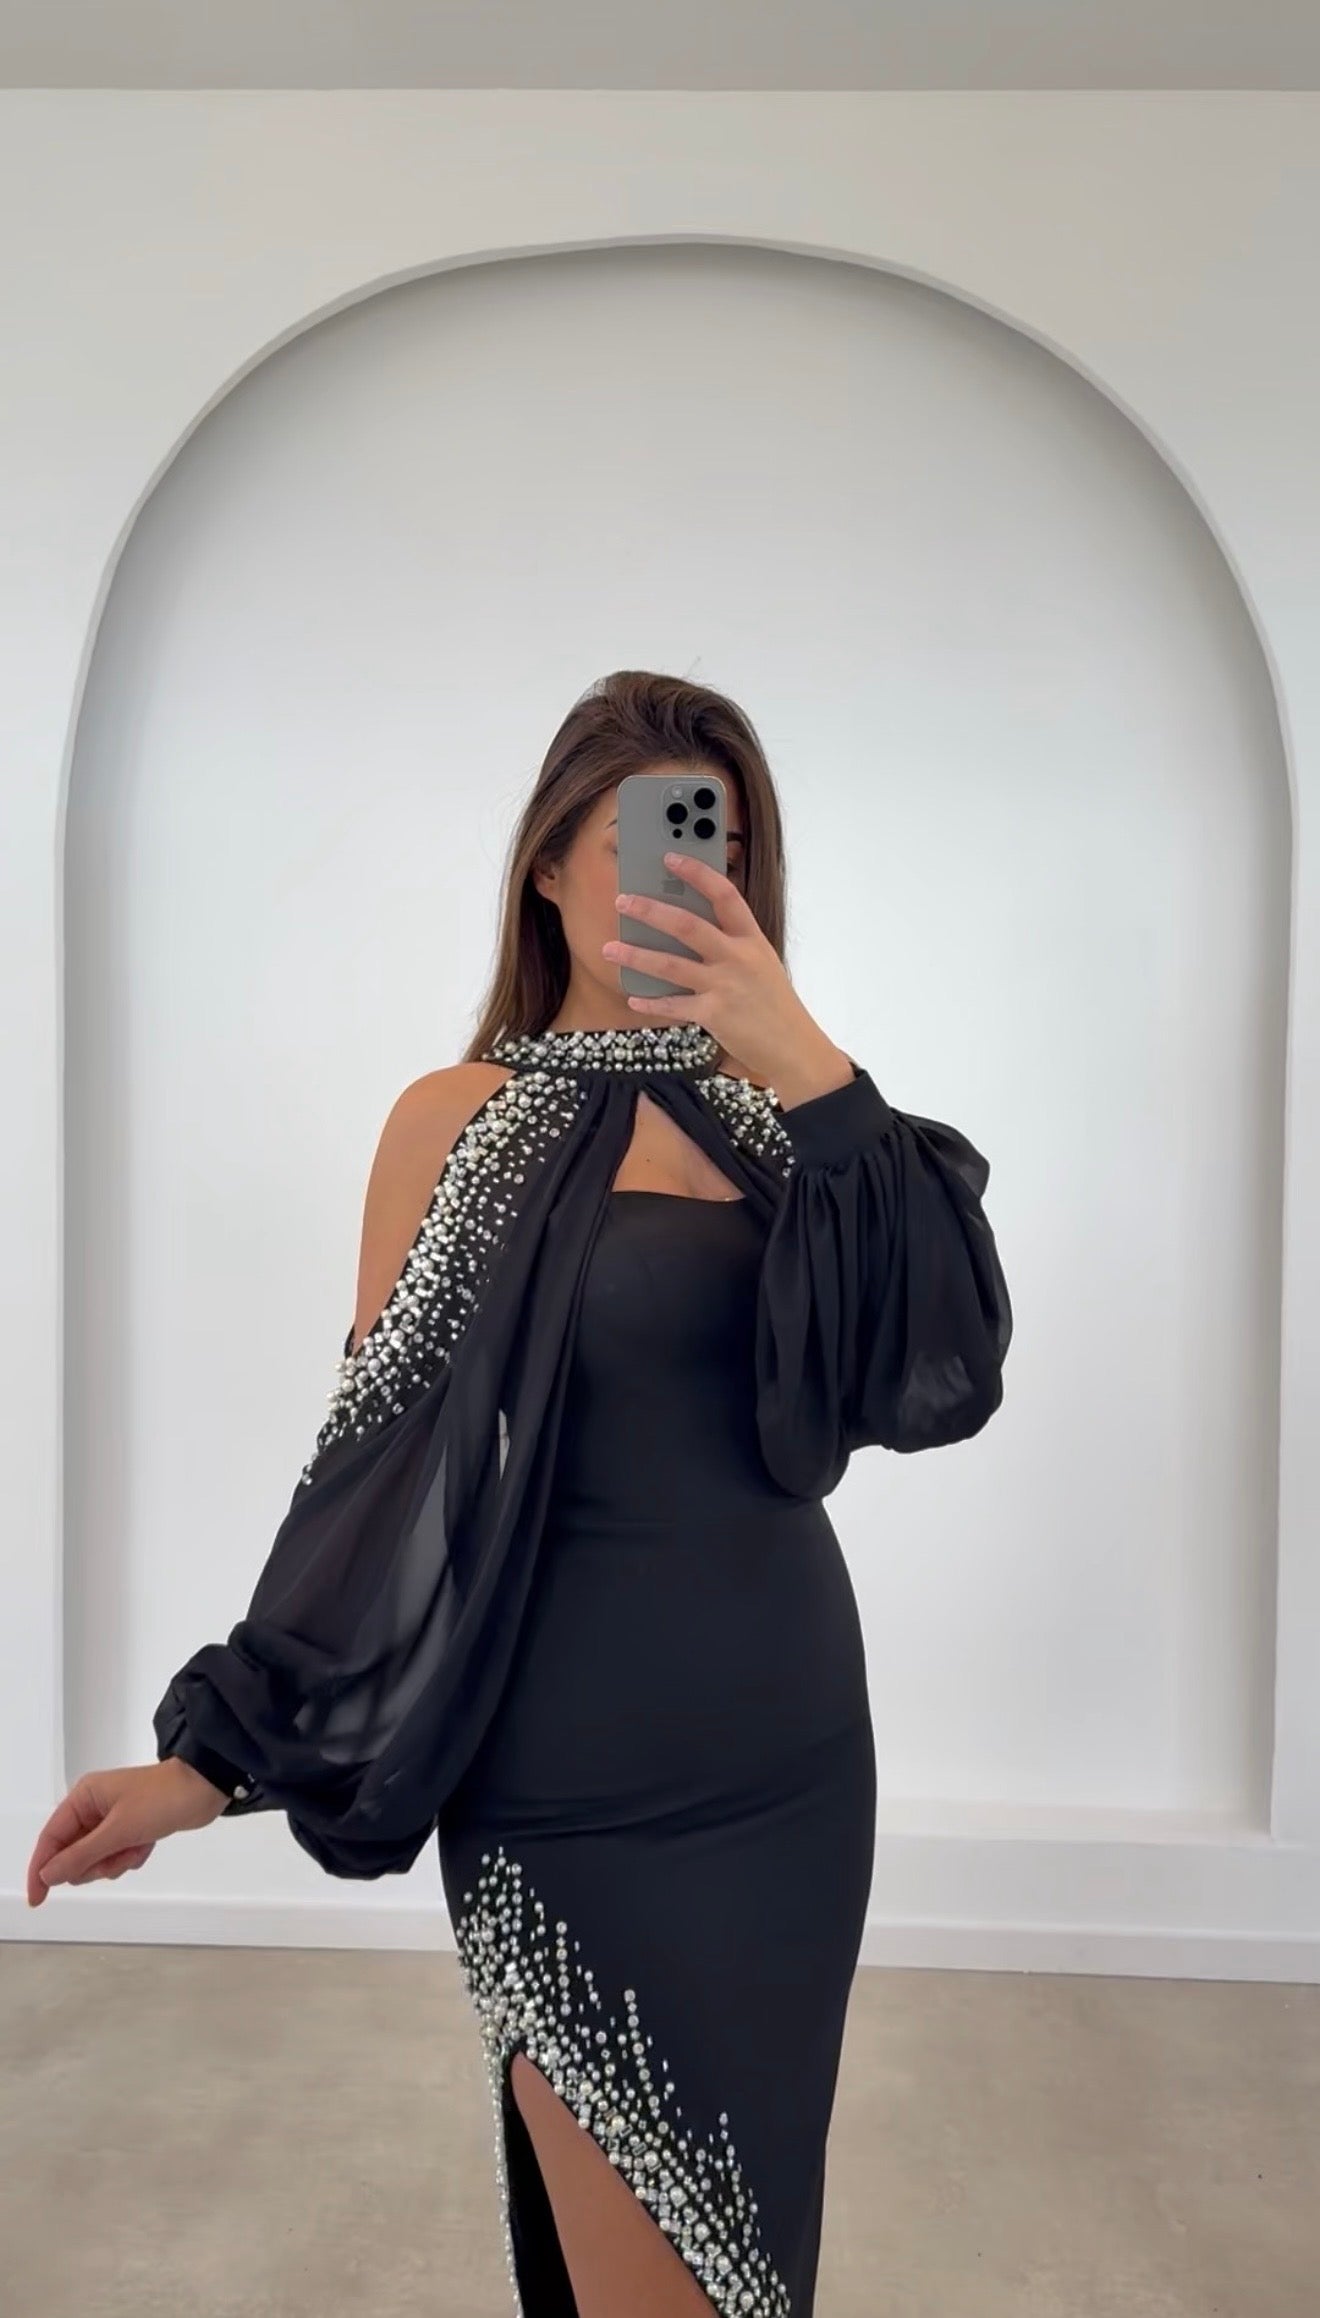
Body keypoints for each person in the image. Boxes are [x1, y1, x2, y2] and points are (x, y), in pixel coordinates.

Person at [28, 670, 1012, 2317]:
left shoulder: (797, 1124)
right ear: (548, 863)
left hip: (791, 1777)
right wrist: (209, 1764)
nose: (682, 877)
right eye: (640, 840)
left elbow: (949, 1361)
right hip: (568, 1806)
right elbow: (376, 1486)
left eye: (717, 846)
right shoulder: (454, 1125)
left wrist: (809, 1063)